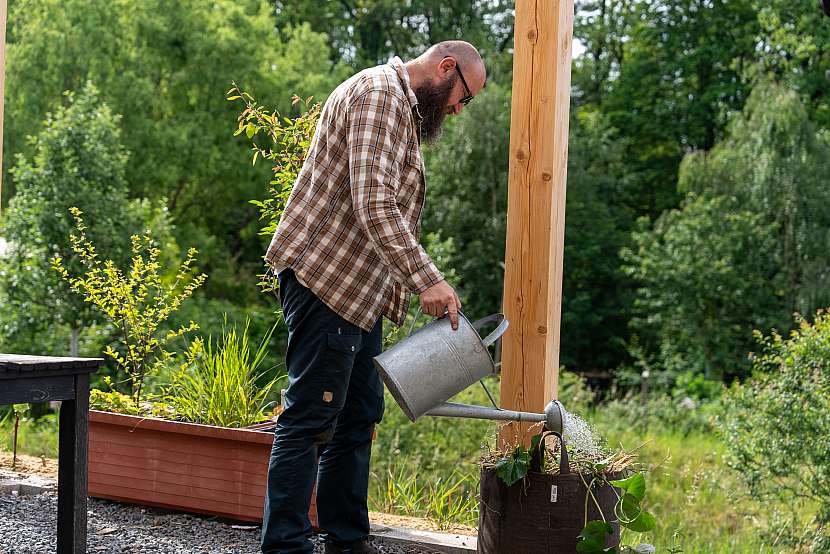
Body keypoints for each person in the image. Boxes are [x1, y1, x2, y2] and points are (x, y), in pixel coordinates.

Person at [260, 40, 486, 554]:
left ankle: (346, 542)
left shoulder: (400, 108)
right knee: (309, 419)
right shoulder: (380, 96)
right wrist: (427, 279)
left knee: (358, 416)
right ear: (445, 68)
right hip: (327, 285)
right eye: (463, 97)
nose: (456, 110)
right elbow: (375, 203)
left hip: (357, 296)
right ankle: (285, 547)